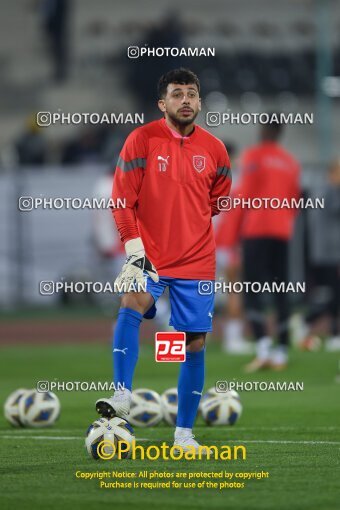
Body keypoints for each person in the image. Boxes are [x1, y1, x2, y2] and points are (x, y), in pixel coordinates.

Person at [96, 68, 231, 452]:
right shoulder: (141, 140)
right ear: (162, 103)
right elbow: (122, 201)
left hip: (197, 262)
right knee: (131, 303)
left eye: (191, 94)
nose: (185, 100)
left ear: (200, 102)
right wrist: (135, 249)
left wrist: (186, 225)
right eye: (177, 94)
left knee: (194, 344)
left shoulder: (216, 150)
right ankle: (122, 395)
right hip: (149, 257)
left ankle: (184, 436)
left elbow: (218, 202)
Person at [237, 116, 301, 372]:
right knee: (281, 290)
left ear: (263, 130)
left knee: (252, 290)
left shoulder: (253, 156)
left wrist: (230, 236)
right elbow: (294, 201)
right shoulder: (291, 163)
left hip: (256, 230)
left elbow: (245, 194)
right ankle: (282, 353)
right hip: (282, 232)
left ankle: (263, 349)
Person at [301, 159, 340, 350]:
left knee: (330, 293)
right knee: (333, 293)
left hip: (328, 252)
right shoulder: (327, 191)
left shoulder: (324, 191)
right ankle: (329, 331)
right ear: (332, 173)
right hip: (327, 253)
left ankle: (309, 321)